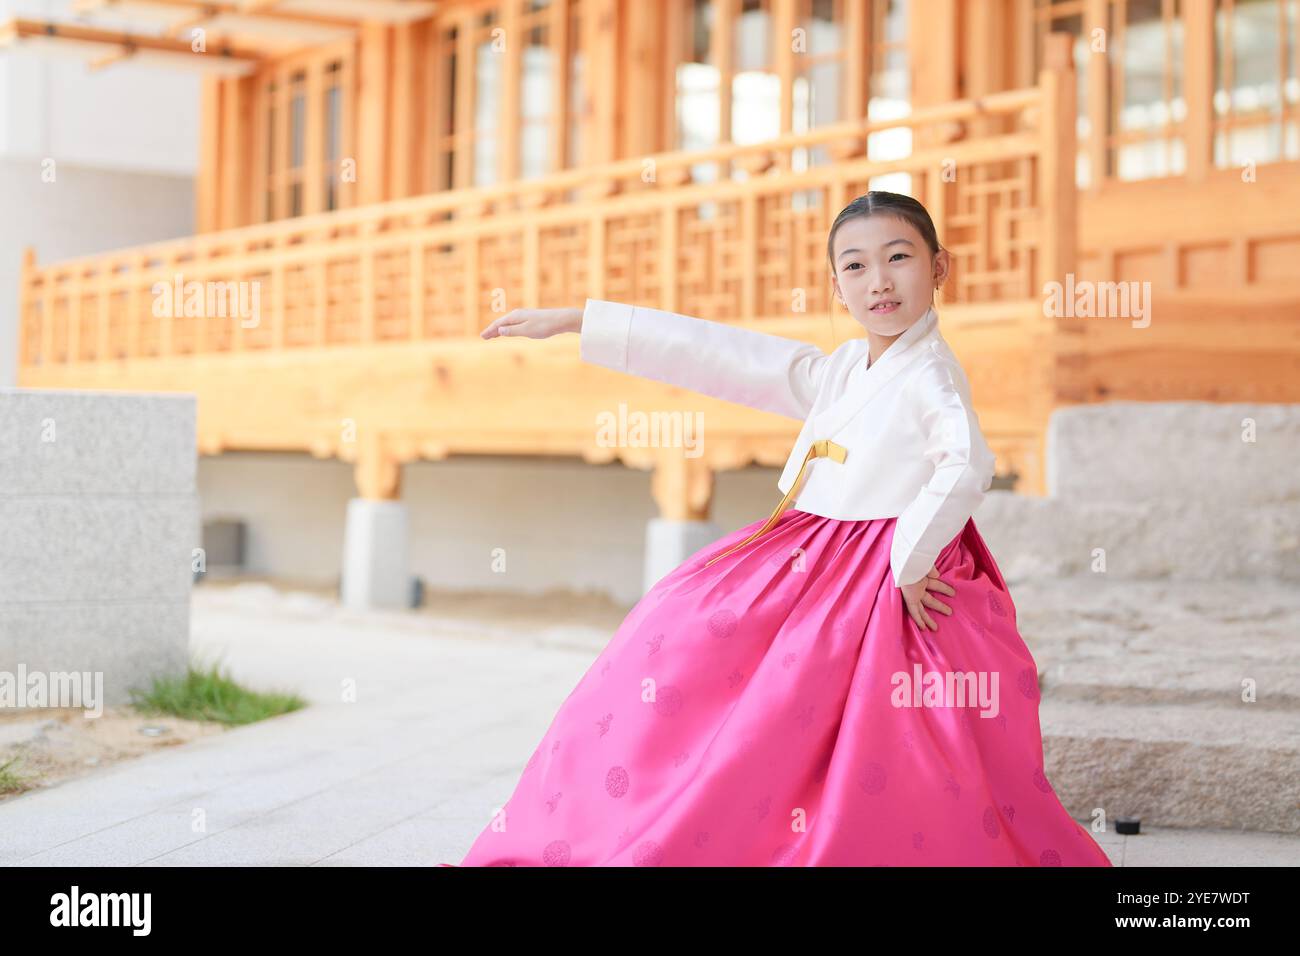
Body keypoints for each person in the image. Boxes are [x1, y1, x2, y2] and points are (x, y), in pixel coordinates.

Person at [445, 191, 1113, 867]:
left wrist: (909, 561)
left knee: (874, 730)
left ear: (939, 267)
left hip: (880, 570)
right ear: (835, 286)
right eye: (855, 267)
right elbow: (724, 356)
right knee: (676, 628)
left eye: (899, 258)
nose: (878, 280)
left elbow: (967, 463)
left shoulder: (932, 373)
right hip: (814, 552)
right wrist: (580, 320)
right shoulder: (846, 368)